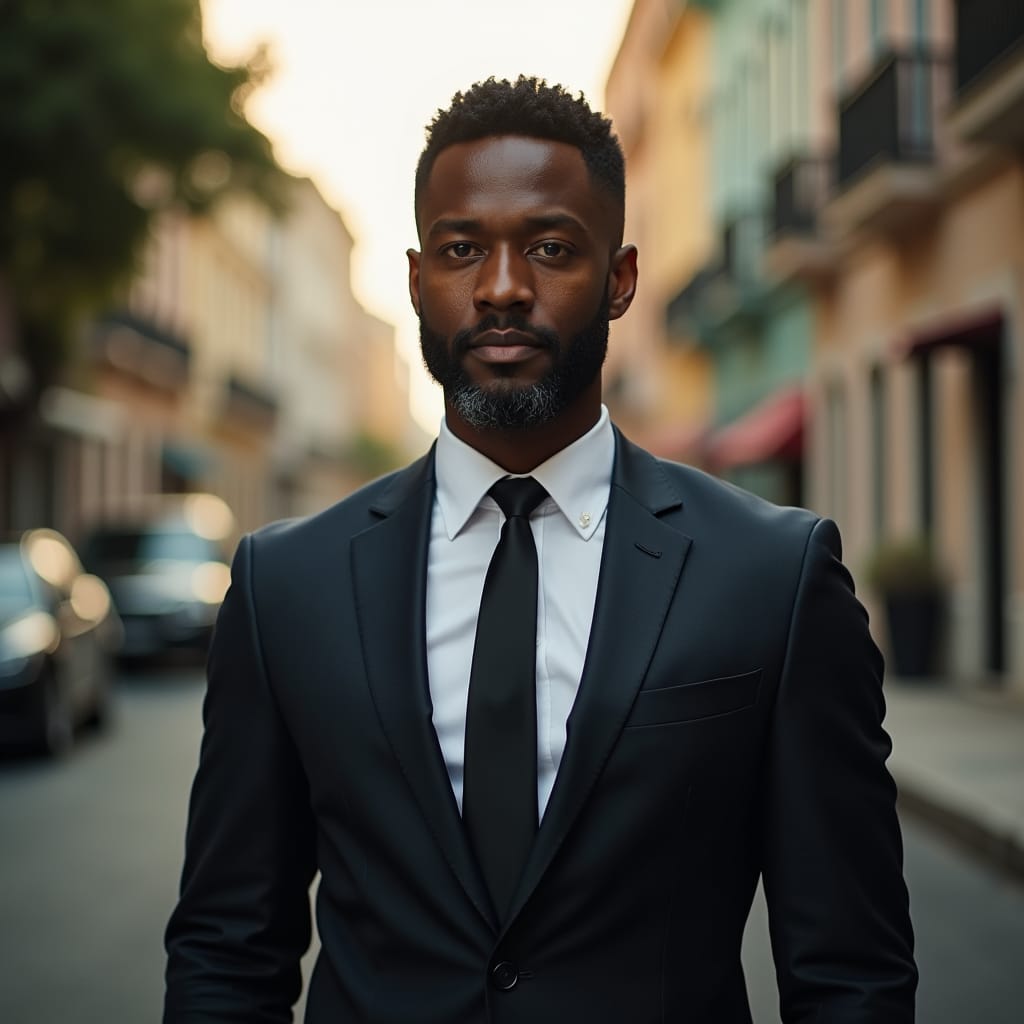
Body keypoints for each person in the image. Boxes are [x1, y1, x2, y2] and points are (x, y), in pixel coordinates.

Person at [164, 76, 916, 1023]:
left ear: (620, 277)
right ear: (415, 280)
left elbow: (851, 972)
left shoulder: (774, 574)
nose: (503, 287)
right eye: (462, 249)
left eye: (551, 248)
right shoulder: (288, 584)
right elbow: (228, 949)